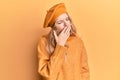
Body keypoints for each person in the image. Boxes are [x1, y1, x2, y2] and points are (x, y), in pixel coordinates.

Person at [37, 3, 90, 80]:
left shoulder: (78, 42)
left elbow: (85, 71)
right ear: (54, 28)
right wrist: (60, 45)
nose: (66, 24)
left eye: (67, 19)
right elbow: (48, 76)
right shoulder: (44, 42)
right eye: (60, 22)